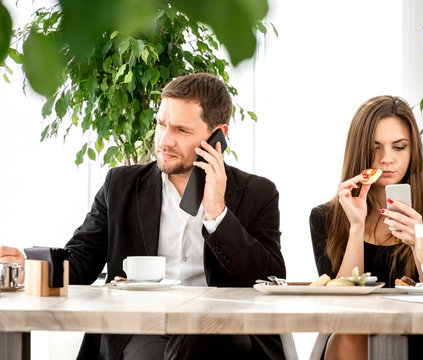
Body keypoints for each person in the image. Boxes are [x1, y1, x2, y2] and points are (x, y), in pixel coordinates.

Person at [0, 73, 286, 360]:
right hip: (144, 329)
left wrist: (217, 214)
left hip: (224, 333)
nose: (165, 140)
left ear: (218, 135)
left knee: (197, 338)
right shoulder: (121, 186)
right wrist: (29, 267)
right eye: (161, 124)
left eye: (181, 131)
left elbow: (269, 277)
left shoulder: (257, 192)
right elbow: (80, 263)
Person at [310, 96, 423, 360]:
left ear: (412, 150)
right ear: (359, 150)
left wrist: (420, 242)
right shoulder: (325, 218)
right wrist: (356, 228)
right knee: (347, 337)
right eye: (375, 148)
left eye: (399, 147)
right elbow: (341, 307)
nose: (387, 159)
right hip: (356, 341)